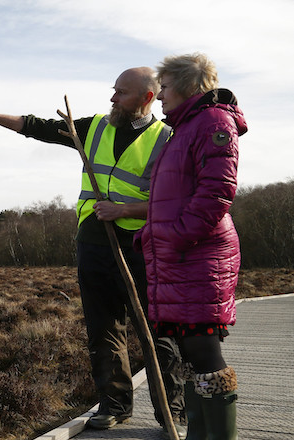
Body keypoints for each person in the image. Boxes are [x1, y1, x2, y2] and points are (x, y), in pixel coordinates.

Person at [0, 67, 186, 435]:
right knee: (103, 330)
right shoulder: (96, 126)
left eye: (121, 93)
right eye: (113, 90)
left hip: (145, 248)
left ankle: (169, 412)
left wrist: (126, 211)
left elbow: (178, 203)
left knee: (158, 333)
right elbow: (40, 127)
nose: (112, 98)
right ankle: (114, 406)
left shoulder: (169, 140)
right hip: (94, 244)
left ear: (147, 98)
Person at [139, 53, 246, 440]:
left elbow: (218, 190)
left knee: (204, 351)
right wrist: (150, 234)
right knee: (192, 353)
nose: (160, 95)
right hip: (181, 254)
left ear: (185, 86)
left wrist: (178, 234)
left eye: (165, 87)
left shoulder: (213, 122)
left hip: (199, 255)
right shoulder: (183, 127)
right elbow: (172, 195)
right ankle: (201, 434)